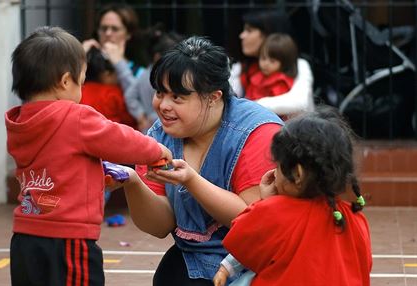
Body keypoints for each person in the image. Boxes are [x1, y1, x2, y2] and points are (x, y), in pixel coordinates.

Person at [5, 26, 172, 286]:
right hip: (68, 238)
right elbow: (121, 140)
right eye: (81, 80)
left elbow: (60, 157)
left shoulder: (19, 122)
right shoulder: (76, 116)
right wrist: (156, 149)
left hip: (25, 237)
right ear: (64, 81)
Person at [117, 36, 283, 285]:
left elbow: (254, 221)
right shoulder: (157, 136)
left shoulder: (257, 132)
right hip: (192, 257)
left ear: (213, 97)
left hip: (254, 259)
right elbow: (160, 226)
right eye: (160, 93)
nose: (163, 105)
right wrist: (131, 182)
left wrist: (192, 181)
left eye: (177, 97)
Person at [213, 106, 372, 286]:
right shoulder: (354, 217)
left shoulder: (276, 211)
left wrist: (265, 203)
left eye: (279, 165)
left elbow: (242, 242)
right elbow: (363, 268)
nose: (274, 172)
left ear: (297, 174)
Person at [230, 9, 315, 117]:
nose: (242, 35)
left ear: (268, 34)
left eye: (249, 30)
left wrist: (249, 106)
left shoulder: (299, 64)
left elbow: (299, 102)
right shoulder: (241, 67)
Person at [124, 26, 184, 132]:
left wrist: (140, 115)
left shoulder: (144, 74)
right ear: (157, 57)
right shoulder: (158, 77)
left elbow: (130, 95)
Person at [82, 3, 144, 92]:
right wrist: (78, 57)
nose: (108, 33)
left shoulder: (140, 73)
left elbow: (137, 100)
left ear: (128, 34)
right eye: (104, 28)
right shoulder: (86, 63)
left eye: (115, 29)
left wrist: (119, 64)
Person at [81, 46, 137, 129]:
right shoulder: (112, 93)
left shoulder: (80, 91)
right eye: (117, 72)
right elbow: (131, 119)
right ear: (106, 74)